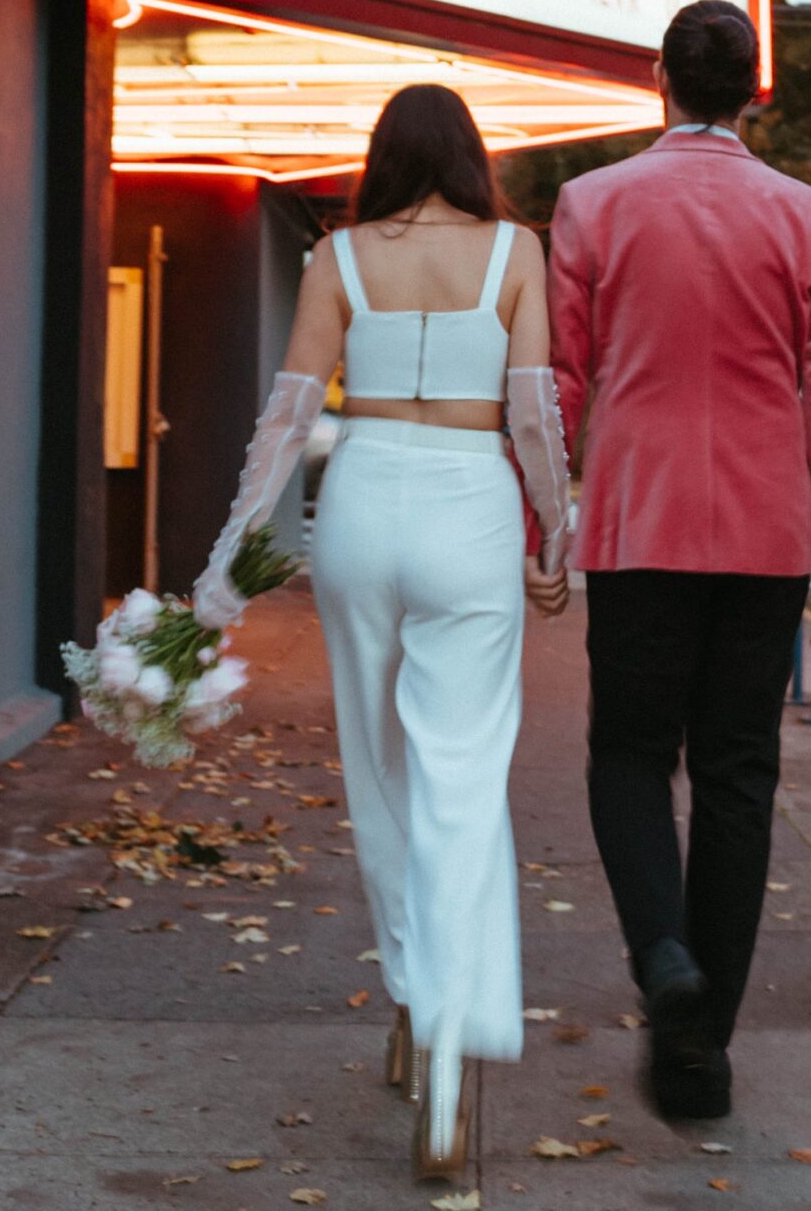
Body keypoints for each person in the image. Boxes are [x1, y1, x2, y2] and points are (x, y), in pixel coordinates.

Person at [192, 84, 571, 1184]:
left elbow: (290, 415)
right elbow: (535, 411)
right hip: (470, 507)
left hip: (361, 506)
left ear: (381, 158)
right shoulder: (514, 252)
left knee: (381, 772)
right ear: (469, 157)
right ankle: (449, 1063)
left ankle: (412, 996)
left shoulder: (339, 257)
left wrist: (227, 559)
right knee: (461, 778)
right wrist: (560, 534)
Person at [549, 0, 811, 1124]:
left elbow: (561, 380)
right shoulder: (807, 218)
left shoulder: (592, 205)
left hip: (638, 523)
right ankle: (704, 1052)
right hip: (767, 530)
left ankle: (663, 956)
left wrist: (548, 518)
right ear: (751, 88)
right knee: (738, 773)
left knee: (628, 756)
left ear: (659, 79)